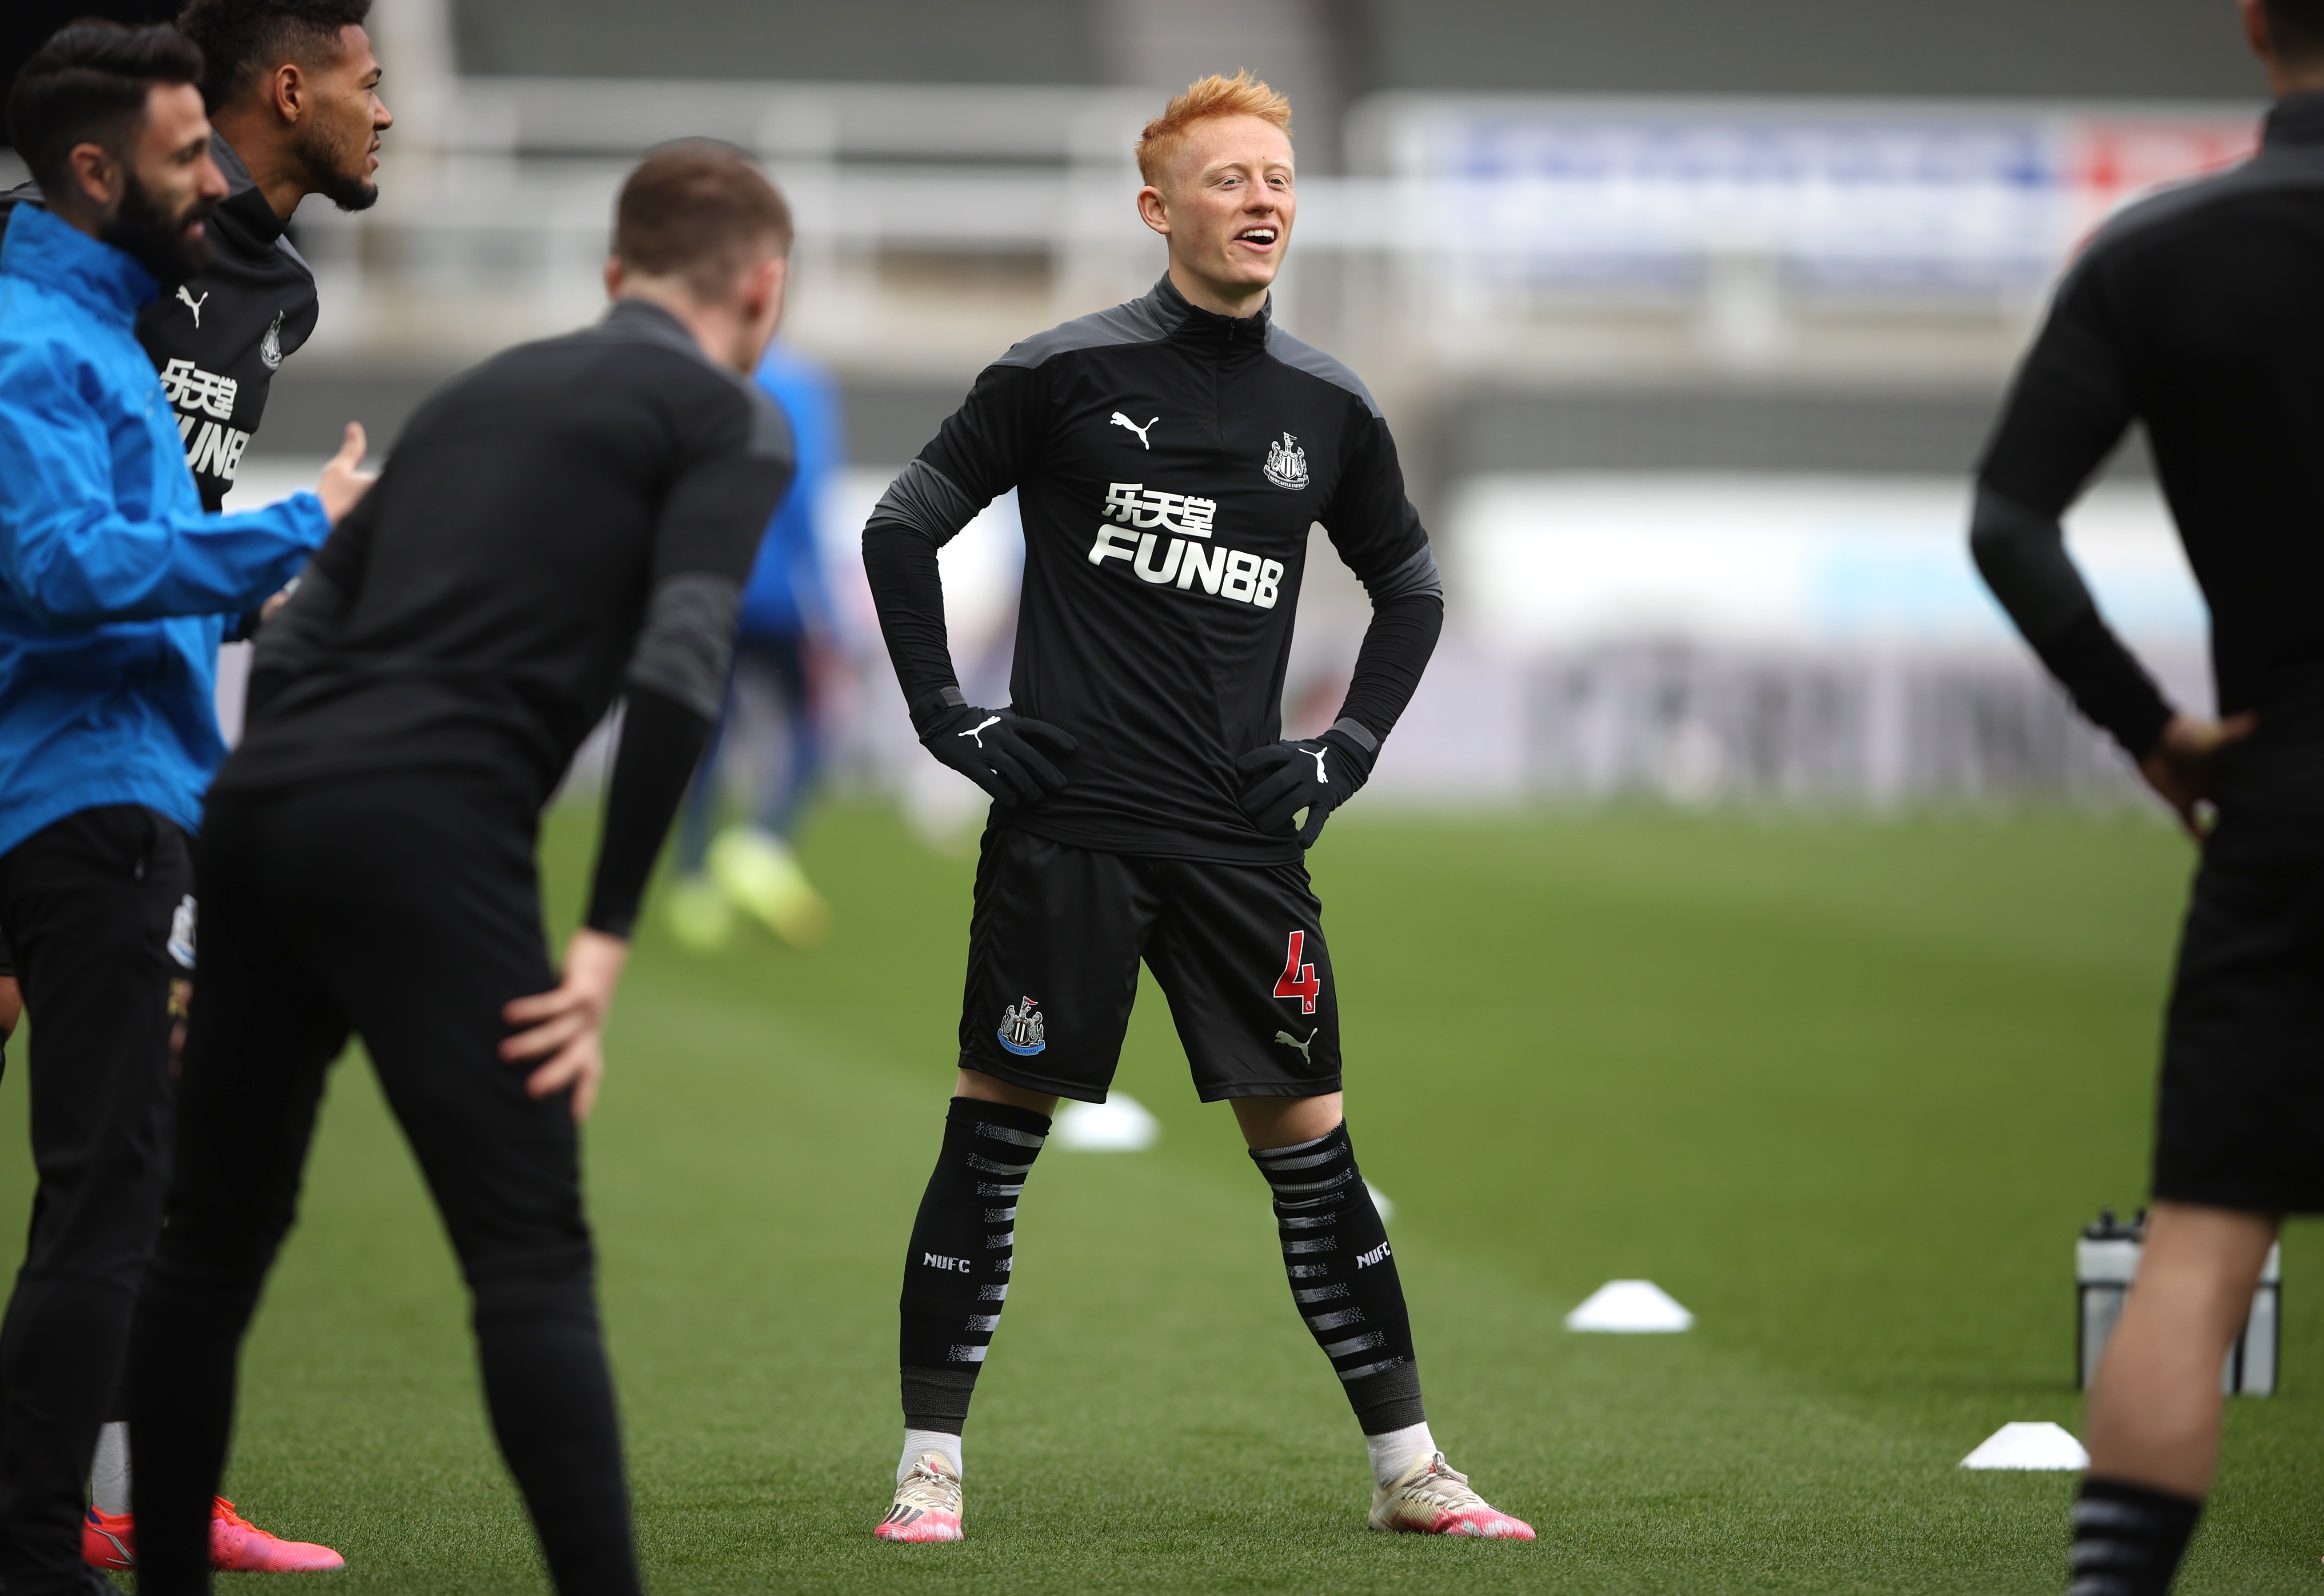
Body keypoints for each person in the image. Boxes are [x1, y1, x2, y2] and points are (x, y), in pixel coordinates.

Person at [859, 72, 1530, 1544]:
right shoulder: (1058, 373)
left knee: (1317, 1157)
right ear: (1158, 208)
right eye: (1230, 180)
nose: (1264, 200)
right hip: (1070, 833)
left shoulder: (1330, 406)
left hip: (1243, 844)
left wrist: (1345, 749)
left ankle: (1410, 1470)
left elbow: (1411, 587)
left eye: (1279, 177)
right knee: (993, 1141)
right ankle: (930, 1467)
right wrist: (947, 722)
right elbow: (901, 525)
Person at [120, 142, 796, 1596]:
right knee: (528, 1255)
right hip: (428, 827)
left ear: (614, 276)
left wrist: (283, 814)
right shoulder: (728, 417)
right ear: (765, 286)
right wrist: (606, 936)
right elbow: (685, 662)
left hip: (261, 808)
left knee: (208, 1243)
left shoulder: (477, 391)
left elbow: (298, 632)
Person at [0, 4, 391, 1571]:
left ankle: (108, 1493)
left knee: (126, 1167)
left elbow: (155, 552)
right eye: (374, 80)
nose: (212, 184)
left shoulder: (249, 296)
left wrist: (303, 582)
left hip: (131, 751)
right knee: (122, 1177)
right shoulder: (62, 308)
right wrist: (297, 534)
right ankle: (64, 1520)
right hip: (68, 763)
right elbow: (61, 560)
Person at [1970, 4, 2324, 1591]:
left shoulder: (2160, 251)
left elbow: (2010, 523)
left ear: (2255, 25)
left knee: (2198, 1244)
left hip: (2289, 795)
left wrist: (2154, 730)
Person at [666, 338, 840, 951]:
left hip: (704, 587)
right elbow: (807, 495)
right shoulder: (798, 385)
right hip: (774, 592)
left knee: (704, 736)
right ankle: (762, 843)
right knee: (811, 726)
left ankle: (693, 886)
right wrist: (828, 610)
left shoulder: (692, 375)